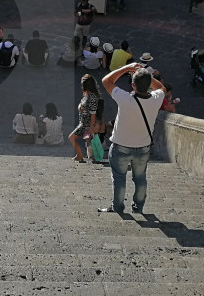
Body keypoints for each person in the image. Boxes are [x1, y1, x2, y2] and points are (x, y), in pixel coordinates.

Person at [99, 63, 166, 215]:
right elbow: (162, 88)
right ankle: (138, 208)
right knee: (140, 178)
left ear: (132, 85)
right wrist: (147, 75)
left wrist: (126, 68)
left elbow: (106, 81)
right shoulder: (156, 99)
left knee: (119, 178)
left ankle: (117, 208)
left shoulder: (125, 99)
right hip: (143, 147)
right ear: (149, 85)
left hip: (120, 146)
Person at [69, 74, 102, 163]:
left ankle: (80, 155)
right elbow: (82, 104)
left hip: (85, 124)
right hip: (84, 123)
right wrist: (80, 106)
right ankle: (89, 156)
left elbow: (93, 114)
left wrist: (91, 127)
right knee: (89, 142)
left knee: (72, 137)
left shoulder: (91, 97)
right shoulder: (88, 95)